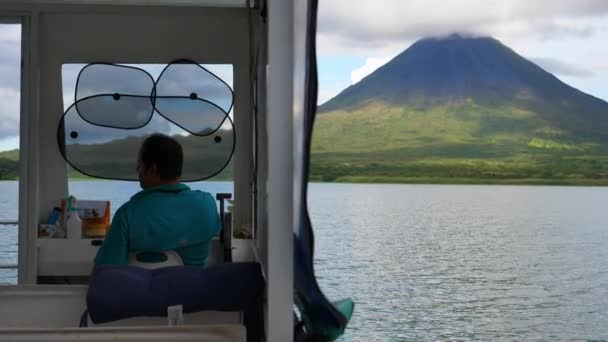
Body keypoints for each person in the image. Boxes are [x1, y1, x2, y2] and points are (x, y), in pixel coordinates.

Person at [94, 133, 221, 266]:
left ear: (152, 170)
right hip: (193, 286)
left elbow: (106, 272)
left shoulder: (127, 214)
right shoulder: (207, 204)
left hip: (141, 287)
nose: (137, 170)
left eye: (139, 165)